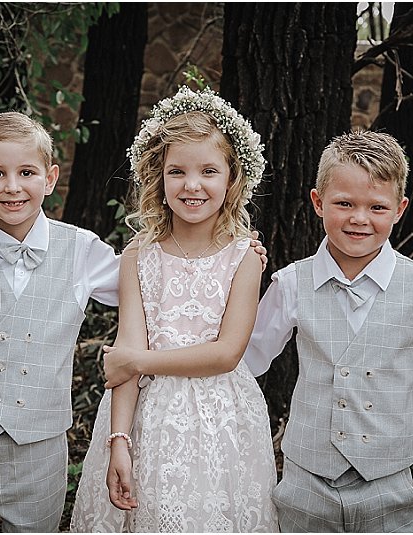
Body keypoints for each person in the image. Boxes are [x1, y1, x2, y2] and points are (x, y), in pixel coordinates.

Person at [0, 111, 268, 532]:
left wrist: (229, 260)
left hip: (40, 449)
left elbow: (156, 287)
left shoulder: (81, 252)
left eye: (26, 171)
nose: (12, 187)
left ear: (50, 178)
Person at [69, 86, 279, 532]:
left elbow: (226, 353)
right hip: (147, 420)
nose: (192, 185)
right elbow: (126, 352)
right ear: (158, 180)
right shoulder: (137, 257)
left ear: (232, 178)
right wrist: (119, 439)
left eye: (208, 170)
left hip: (222, 421)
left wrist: (139, 362)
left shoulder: (244, 256)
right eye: (176, 171)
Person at [243, 130, 413, 532]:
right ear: (318, 202)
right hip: (306, 475)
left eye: (377, 207)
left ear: (399, 209)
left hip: (387, 477)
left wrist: (404, 382)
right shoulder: (292, 284)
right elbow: (252, 356)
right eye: (343, 203)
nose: (359, 218)